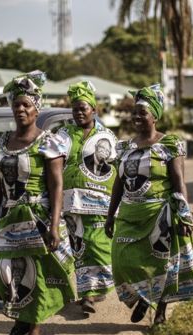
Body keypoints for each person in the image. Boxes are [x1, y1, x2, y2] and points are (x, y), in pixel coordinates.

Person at [0, 71, 75, 335]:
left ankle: (33, 331)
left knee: (36, 274)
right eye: (16, 105)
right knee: (3, 270)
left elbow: (57, 185)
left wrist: (55, 224)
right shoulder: (2, 141)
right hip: (9, 218)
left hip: (38, 217)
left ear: (37, 109)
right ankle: (22, 322)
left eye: (26, 105)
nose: (20, 109)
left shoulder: (48, 142)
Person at [105, 84, 193, 325]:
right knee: (121, 261)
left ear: (155, 116)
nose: (137, 117)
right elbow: (119, 183)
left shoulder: (168, 145)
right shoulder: (125, 147)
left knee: (162, 264)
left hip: (161, 214)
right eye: (135, 112)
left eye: (143, 112)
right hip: (130, 214)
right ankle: (143, 297)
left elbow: (179, 182)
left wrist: (185, 214)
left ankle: (159, 311)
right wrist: (110, 215)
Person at [56, 80, 118, 314]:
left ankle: (93, 292)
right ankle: (86, 295)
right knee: (78, 248)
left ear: (94, 110)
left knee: (98, 246)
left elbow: (114, 170)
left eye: (83, 108)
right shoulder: (63, 134)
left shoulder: (106, 135)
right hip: (69, 202)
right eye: (75, 109)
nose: (79, 112)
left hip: (100, 203)